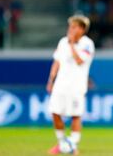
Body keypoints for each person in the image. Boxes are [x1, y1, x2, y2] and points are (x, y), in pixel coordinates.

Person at [46, 15, 95, 155]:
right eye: (70, 26)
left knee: (75, 115)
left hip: (76, 87)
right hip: (60, 85)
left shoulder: (87, 44)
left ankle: (72, 145)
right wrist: (51, 80)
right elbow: (57, 62)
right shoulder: (62, 42)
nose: (70, 29)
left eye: (73, 27)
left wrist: (72, 43)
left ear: (82, 29)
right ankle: (62, 144)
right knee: (55, 113)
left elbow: (80, 61)